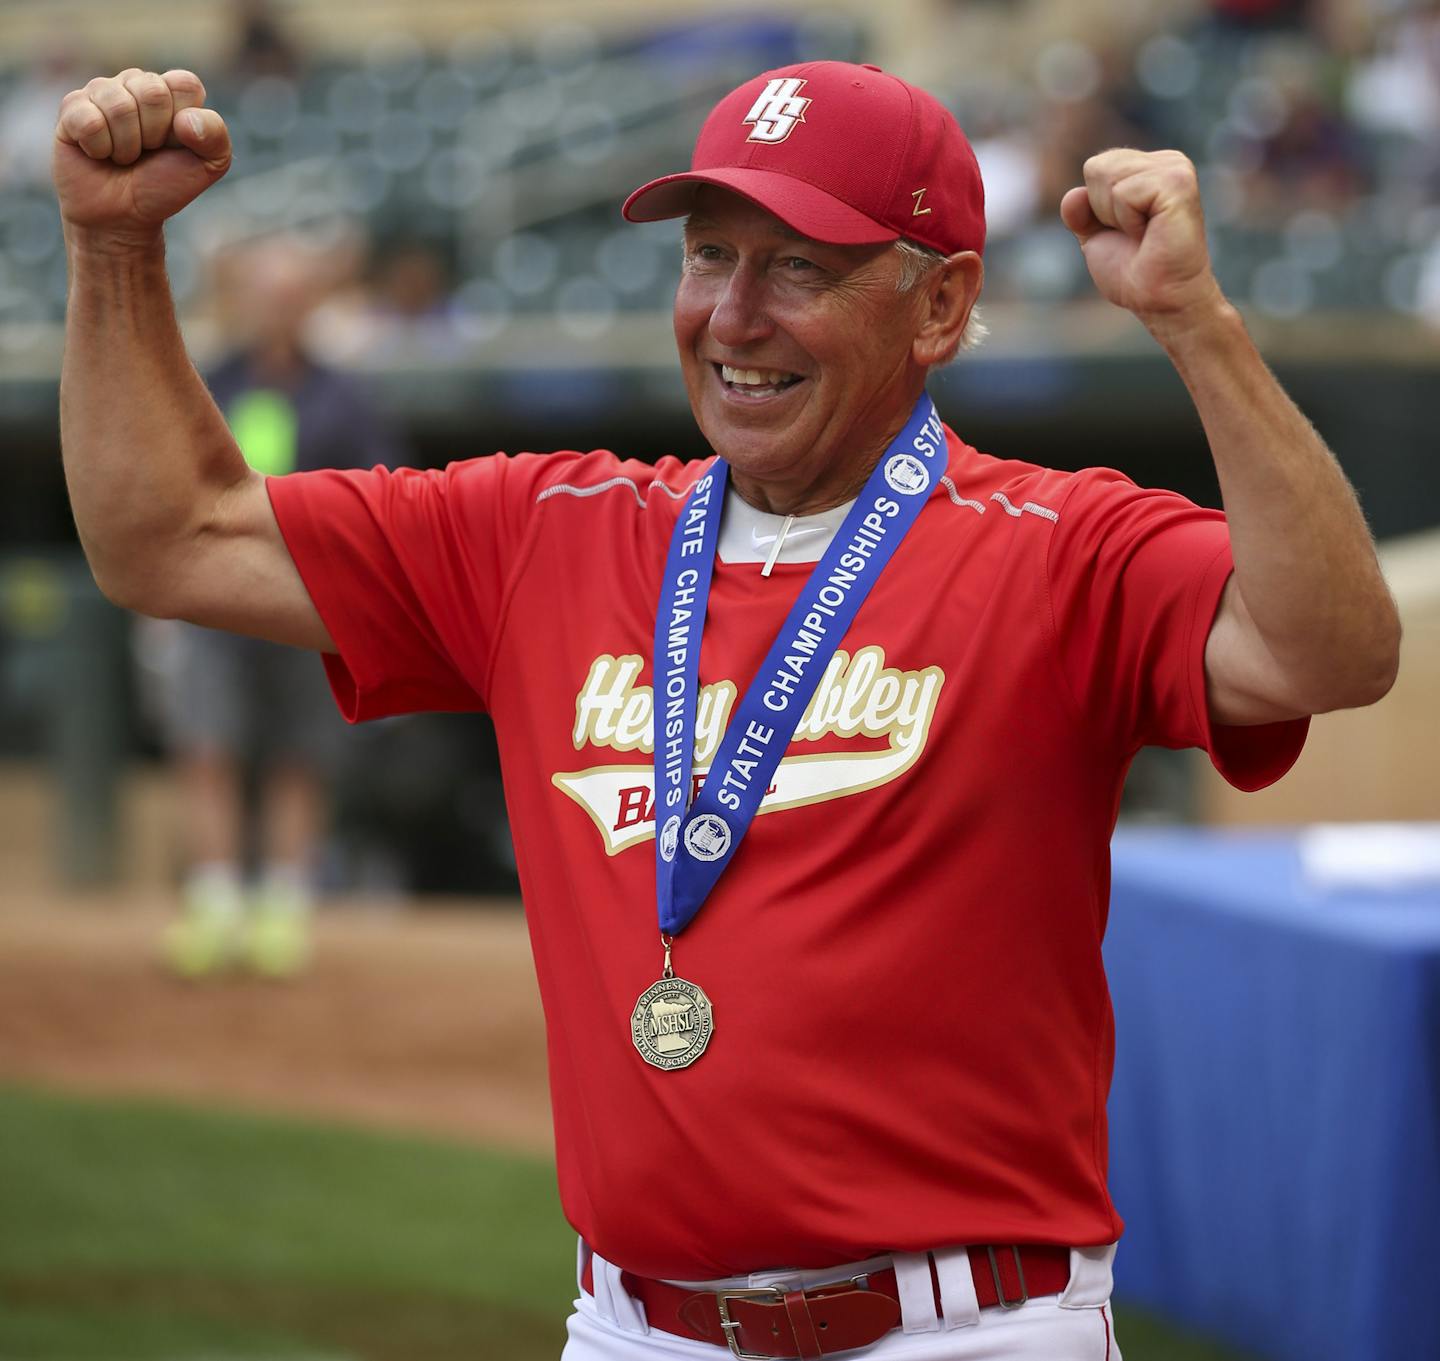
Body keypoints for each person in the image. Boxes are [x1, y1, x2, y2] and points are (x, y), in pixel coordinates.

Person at [52, 59, 1398, 1361]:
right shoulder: (544, 530)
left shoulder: (1056, 545)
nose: (735, 314)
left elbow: (1328, 650)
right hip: (632, 1326)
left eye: (799, 267)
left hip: (967, 1328)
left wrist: (1196, 327)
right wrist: (113, 248)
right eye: (709, 256)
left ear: (939, 310)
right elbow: (168, 537)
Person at [154, 234, 402, 979]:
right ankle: (217, 906)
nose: (278, 307)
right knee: (209, 747)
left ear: (311, 305)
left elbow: (385, 493)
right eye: (267, 293)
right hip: (212, 604)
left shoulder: (344, 396)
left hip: (308, 603)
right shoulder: (204, 384)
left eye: (293, 295)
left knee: (302, 757)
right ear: (243, 300)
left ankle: (283, 910)